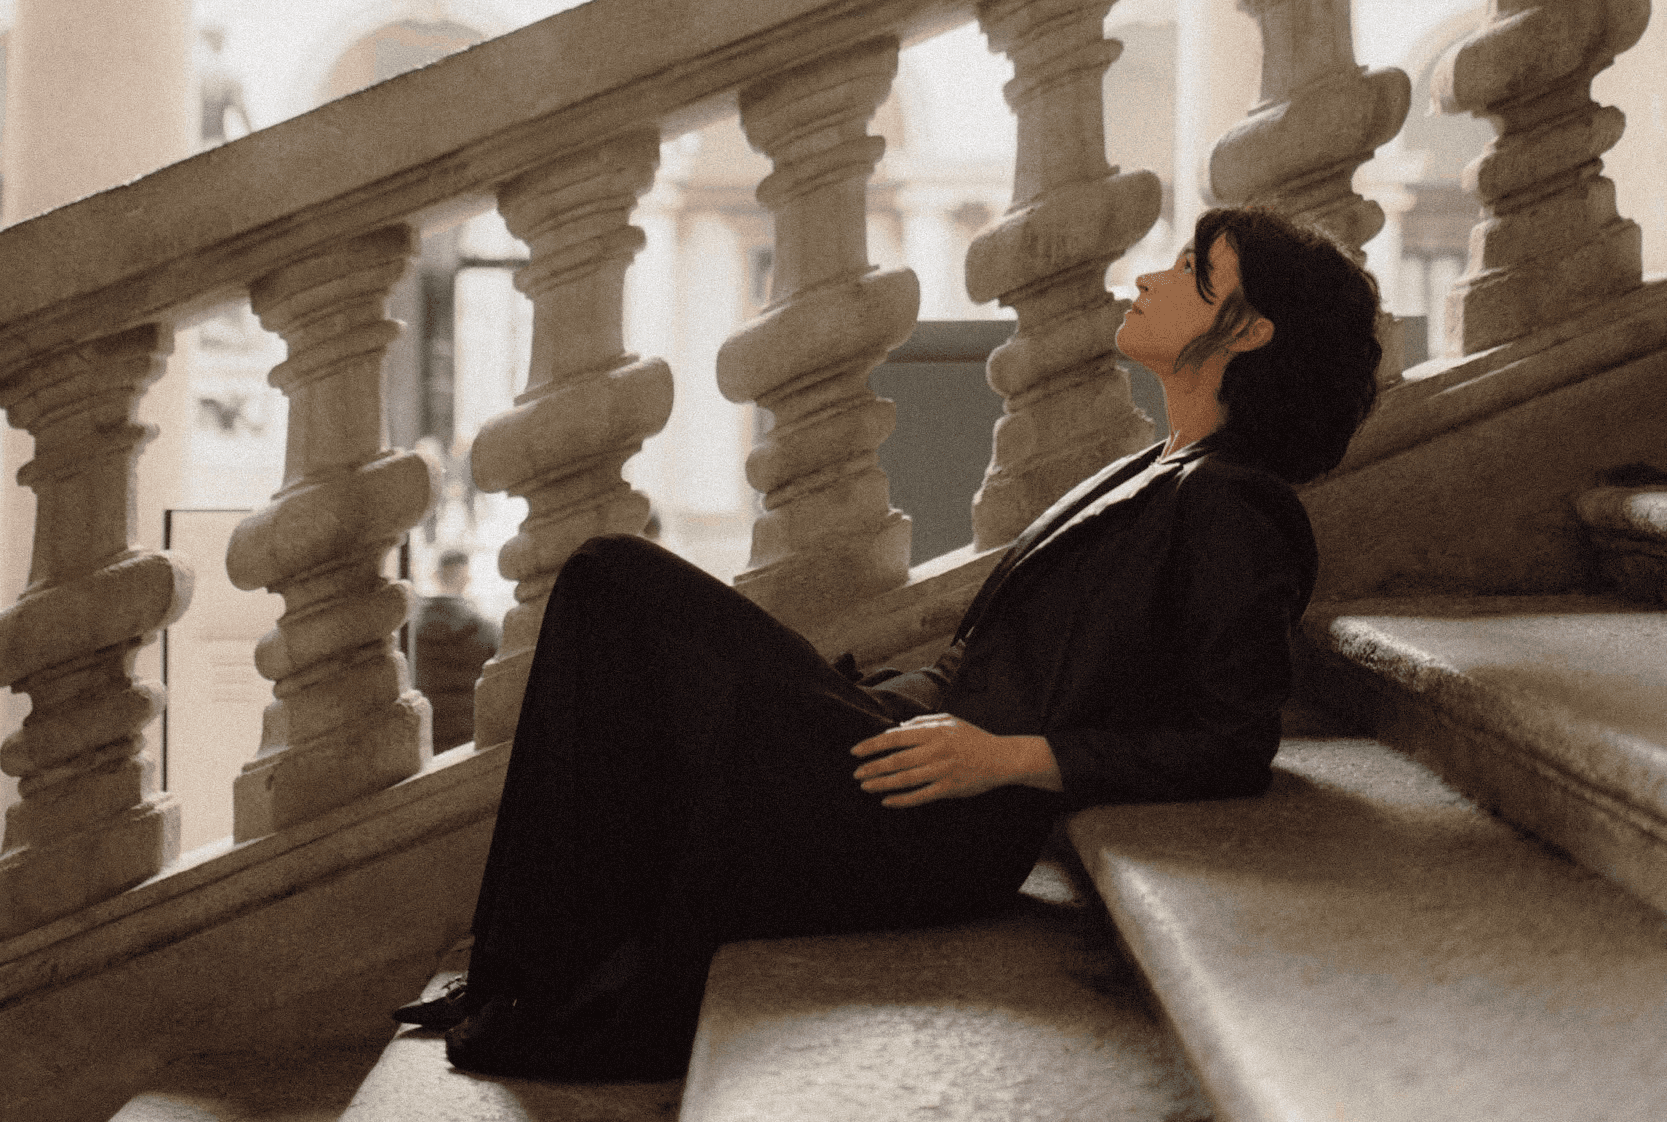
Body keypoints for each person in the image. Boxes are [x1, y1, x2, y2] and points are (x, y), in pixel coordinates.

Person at [391, 205, 1383, 1082]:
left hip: (942, 813)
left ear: (1245, 330)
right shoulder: (1163, 463)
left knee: (614, 576)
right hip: (908, 739)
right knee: (622, 621)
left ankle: (529, 983)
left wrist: (1006, 759)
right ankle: (520, 978)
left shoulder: (1234, 505)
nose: (1149, 277)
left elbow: (1231, 738)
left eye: (1190, 273)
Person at [411, 550, 500, 754]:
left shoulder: (410, 632)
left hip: (425, 741)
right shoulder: (486, 630)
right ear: (467, 579)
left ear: (436, 576)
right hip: (470, 742)